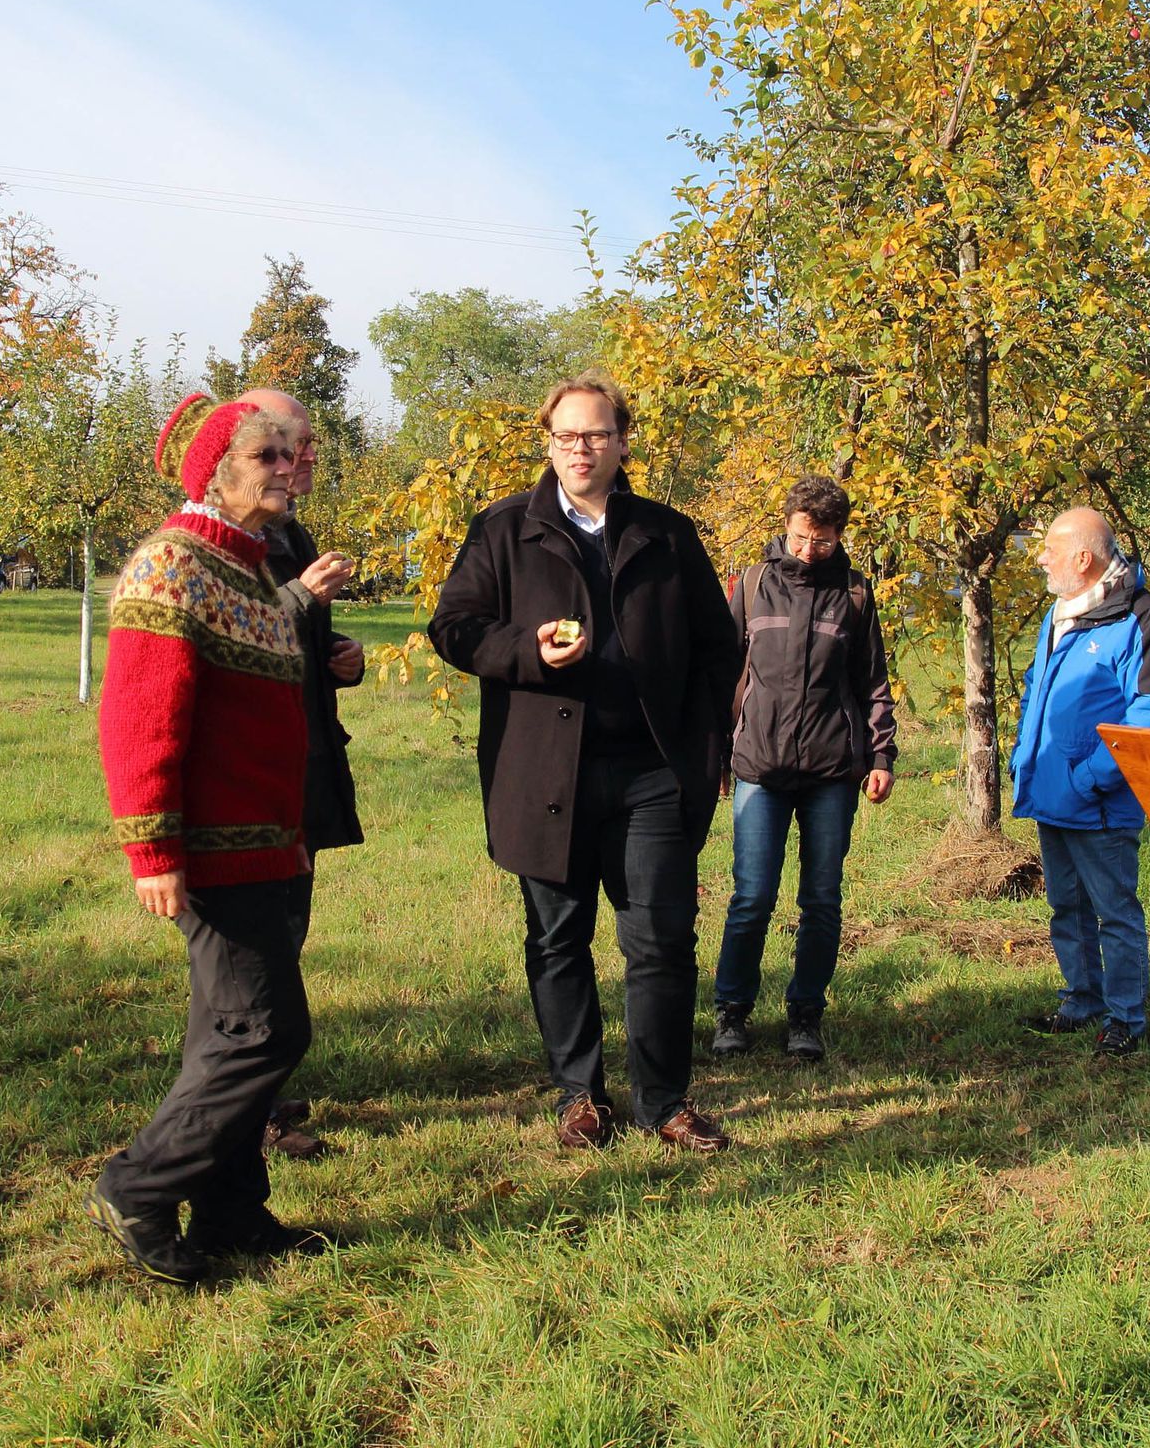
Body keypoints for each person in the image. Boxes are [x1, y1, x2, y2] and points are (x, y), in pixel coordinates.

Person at [429, 372, 740, 1154]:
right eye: (567, 435)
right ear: (548, 442)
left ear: (623, 441)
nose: (581, 448)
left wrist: (703, 749)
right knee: (558, 940)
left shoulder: (669, 535)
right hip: (545, 777)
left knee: (661, 940)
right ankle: (579, 1095)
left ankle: (664, 1100)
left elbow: (717, 647)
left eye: (596, 434)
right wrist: (525, 651)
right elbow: (454, 629)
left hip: (652, 776)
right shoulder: (503, 530)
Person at [87, 394, 328, 1284]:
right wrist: (152, 850)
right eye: (269, 453)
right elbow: (139, 720)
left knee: (227, 1030)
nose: (290, 467)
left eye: (297, 452)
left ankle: (230, 1211)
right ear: (215, 469)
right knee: (263, 1032)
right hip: (214, 852)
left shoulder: (253, 570)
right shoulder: (174, 564)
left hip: (266, 843)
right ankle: (139, 1187)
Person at [709, 474, 896, 1063]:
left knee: (821, 899)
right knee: (752, 897)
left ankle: (805, 1016)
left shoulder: (856, 593)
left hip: (831, 772)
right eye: (800, 536)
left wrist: (881, 755)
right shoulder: (753, 584)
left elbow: (873, 682)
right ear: (785, 524)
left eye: (821, 540)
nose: (808, 549)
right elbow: (721, 673)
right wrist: (715, 753)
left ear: (839, 535)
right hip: (757, 769)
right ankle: (732, 1012)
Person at [237, 386, 367, 1162]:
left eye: (304, 445)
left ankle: (267, 1095)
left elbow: (287, 648)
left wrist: (336, 653)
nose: (304, 457)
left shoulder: (290, 531)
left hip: (300, 766)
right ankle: (250, 1108)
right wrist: (298, 599)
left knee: (284, 938)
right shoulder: (215, 539)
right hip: (250, 779)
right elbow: (225, 638)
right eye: (286, 446)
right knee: (254, 947)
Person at [1009, 506, 1150, 1058]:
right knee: (1066, 906)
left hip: (1101, 801)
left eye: (1051, 549)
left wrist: (1090, 776)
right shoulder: (1061, 611)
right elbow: (1035, 690)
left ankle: (1126, 1017)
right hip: (1051, 794)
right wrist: (1023, 755)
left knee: (1114, 911)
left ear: (1084, 558)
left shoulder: (1144, 618)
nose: (1041, 558)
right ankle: (1082, 999)